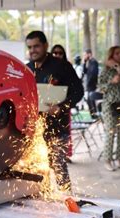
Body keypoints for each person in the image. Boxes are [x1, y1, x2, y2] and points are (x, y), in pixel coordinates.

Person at [25, 31, 84, 189]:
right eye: (29, 47)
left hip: (58, 128)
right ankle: (42, 204)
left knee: (58, 167)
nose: (33, 50)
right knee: (37, 170)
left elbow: (79, 91)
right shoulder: (26, 69)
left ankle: (67, 200)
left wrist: (61, 107)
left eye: (36, 46)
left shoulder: (62, 66)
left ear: (45, 45)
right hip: (33, 130)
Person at [83, 48, 102, 118]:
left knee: (91, 99)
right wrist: (84, 62)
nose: (84, 56)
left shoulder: (94, 62)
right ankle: (93, 114)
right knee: (89, 100)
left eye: (85, 55)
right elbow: (84, 71)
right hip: (88, 84)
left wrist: (90, 82)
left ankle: (95, 114)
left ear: (89, 54)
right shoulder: (89, 62)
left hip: (92, 84)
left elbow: (93, 74)